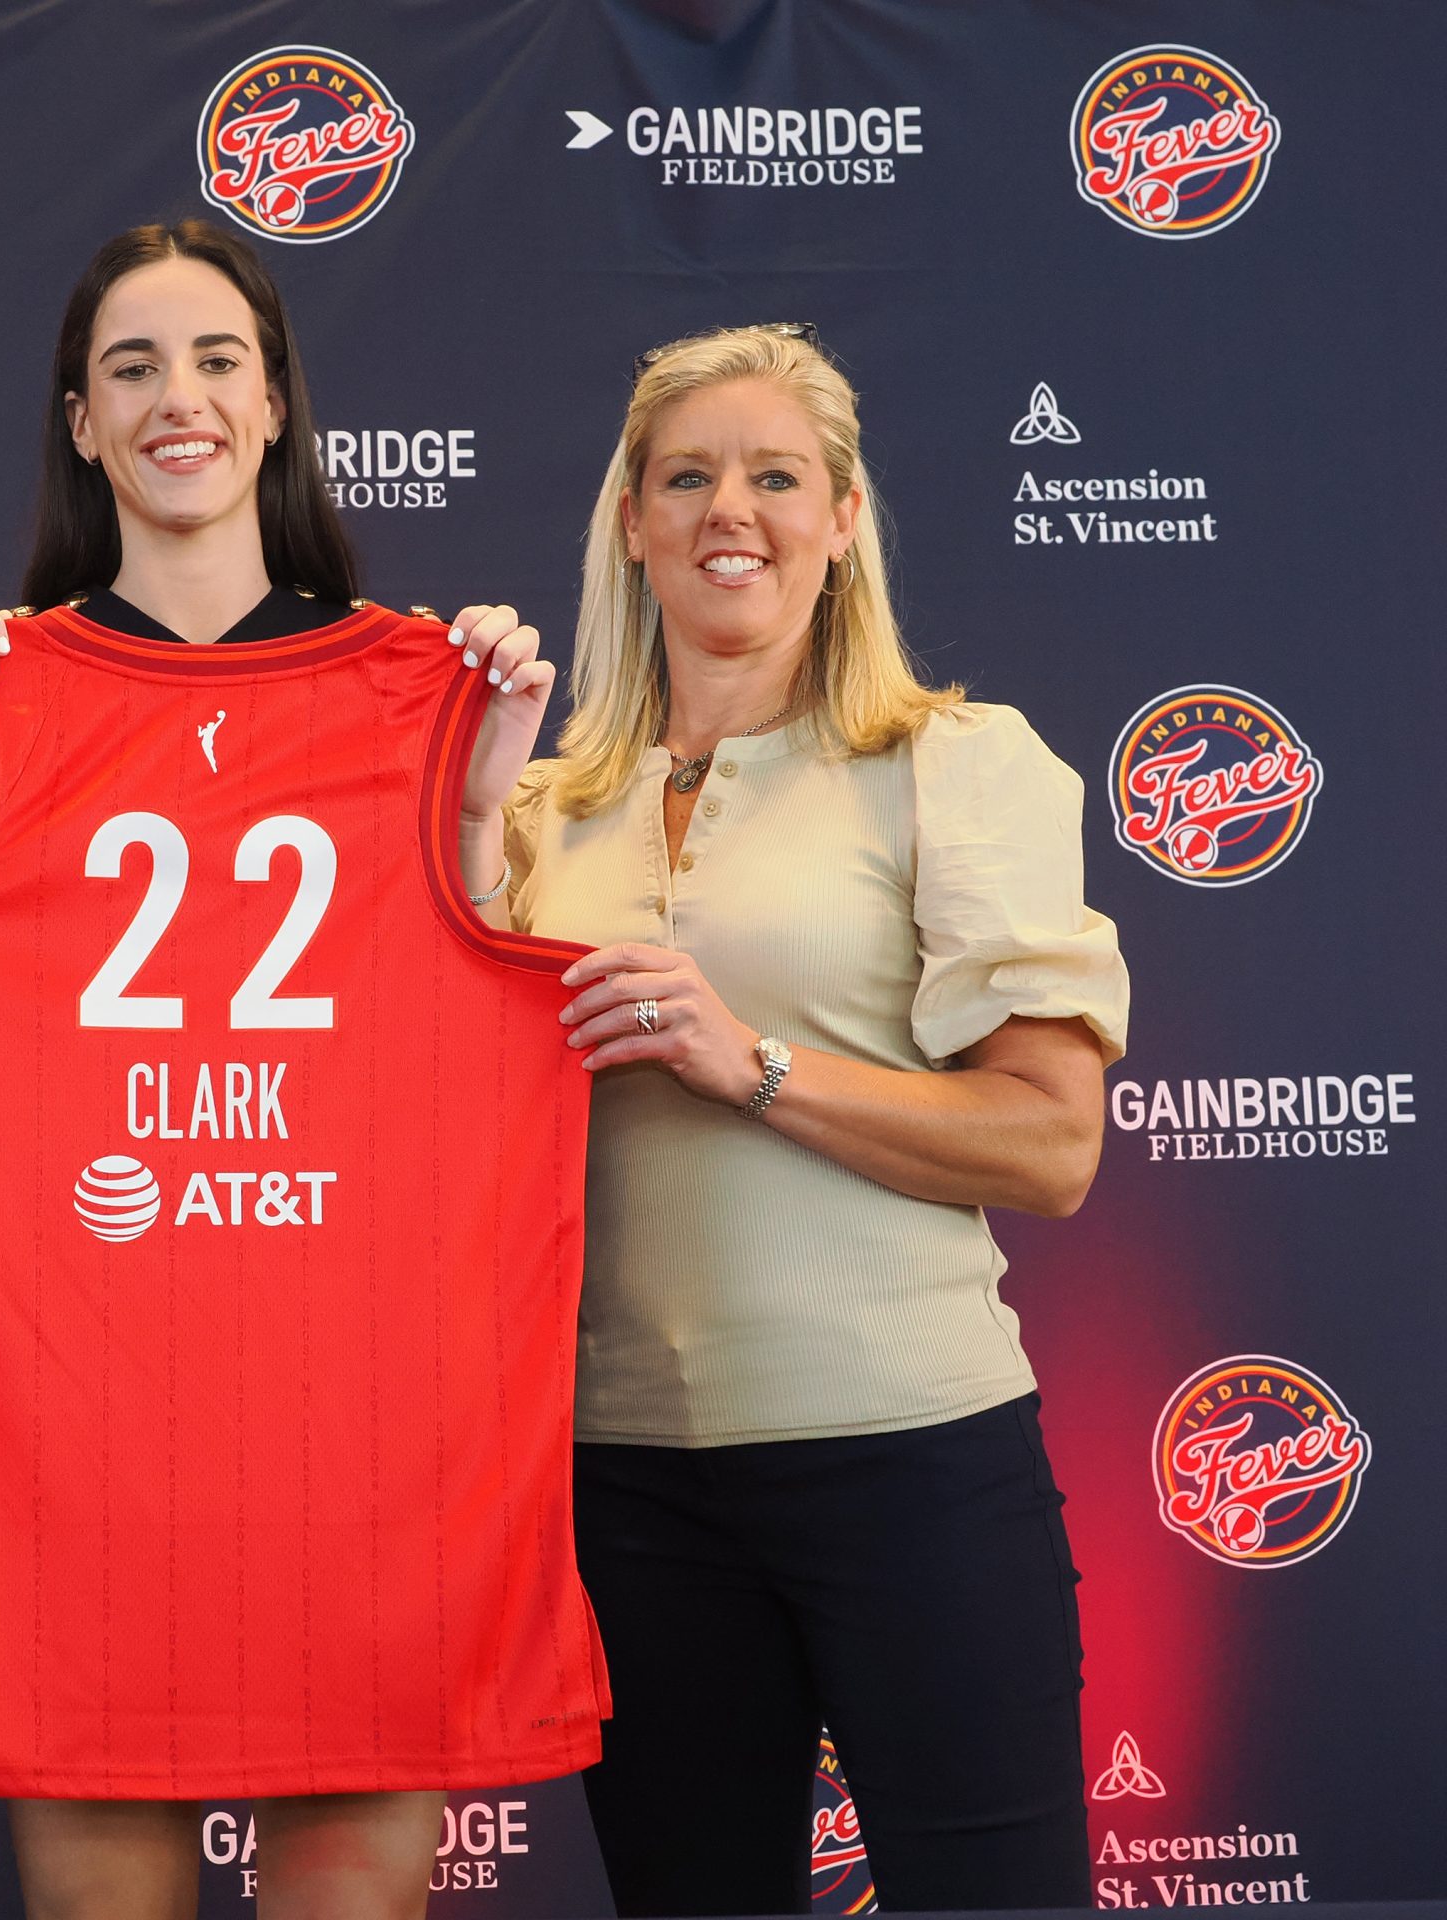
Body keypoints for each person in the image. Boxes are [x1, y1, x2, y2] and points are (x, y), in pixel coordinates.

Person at [0, 219, 596, 1920]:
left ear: (276, 403)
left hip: (359, 1436)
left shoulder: (421, 683)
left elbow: (453, 1029)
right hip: (72, 1452)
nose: (183, 398)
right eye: (135, 366)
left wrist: (474, 814)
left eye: (219, 359)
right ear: (81, 425)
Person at [497, 323, 1129, 1915]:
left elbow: (1051, 1144)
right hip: (624, 1487)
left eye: (779, 476)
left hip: (913, 1460)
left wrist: (750, 1063)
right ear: (630, 521)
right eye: (689, 476)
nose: (735, 511)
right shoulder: (539, 811)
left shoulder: (952, 765)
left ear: (843, 519)